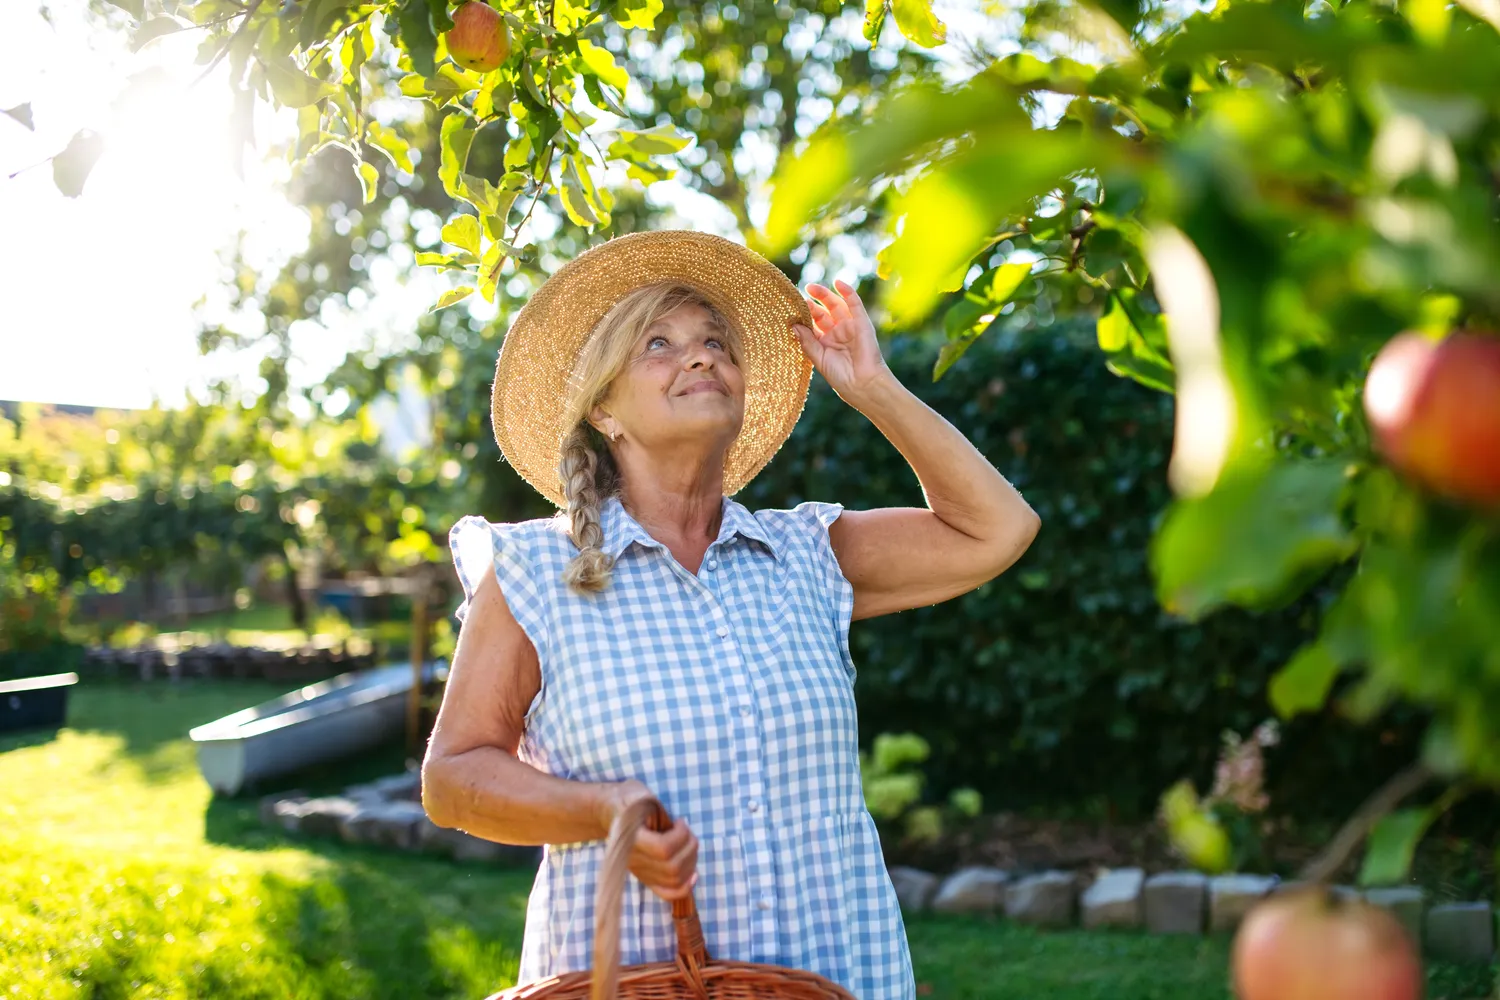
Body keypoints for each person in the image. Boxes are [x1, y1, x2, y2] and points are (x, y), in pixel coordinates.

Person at [421, 230, 1040, 998]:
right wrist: (601, 812)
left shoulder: (806, 555)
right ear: (605, 410)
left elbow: (998, 530)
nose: (702, 355)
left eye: (716, 341)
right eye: (659, 342)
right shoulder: (537, 573)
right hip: (633, 982)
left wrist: (873, 386)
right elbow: (451, 781)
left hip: (838, 976)